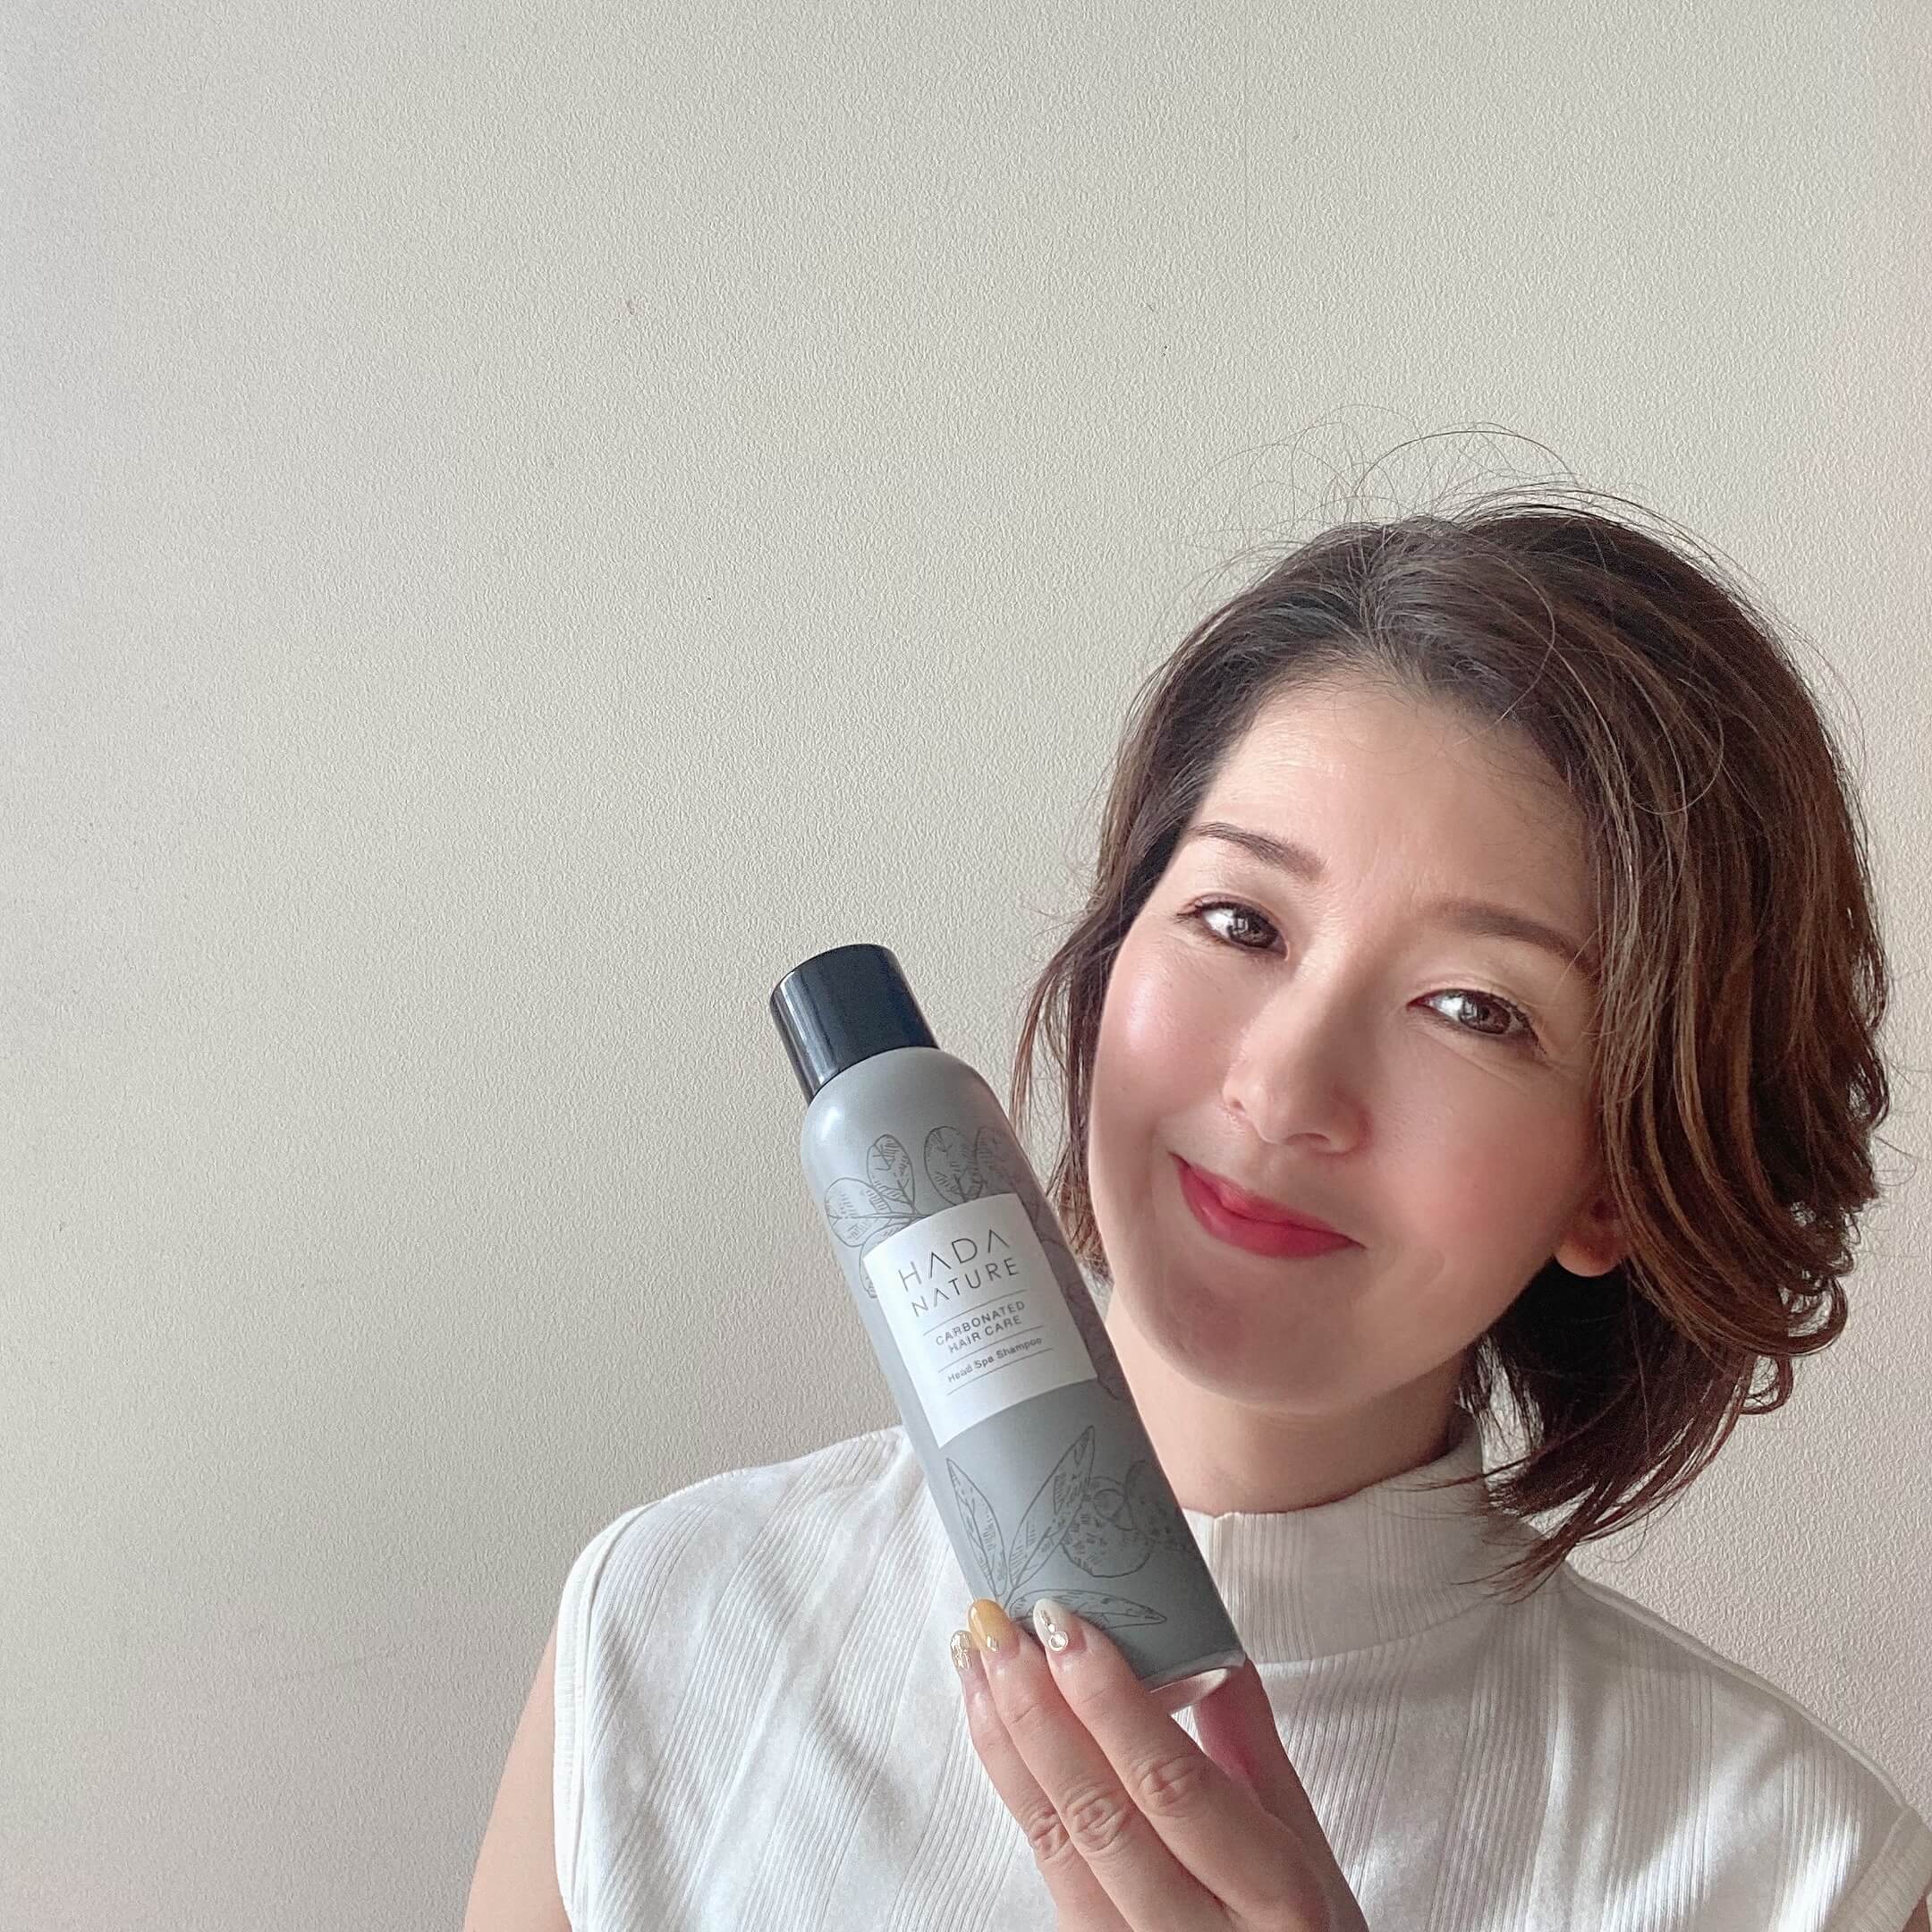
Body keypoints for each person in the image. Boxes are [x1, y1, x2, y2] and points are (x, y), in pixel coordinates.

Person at [465, 488, 1932, 1931]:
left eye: (1475, 1009)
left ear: (1614, 1184)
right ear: (1111, 962)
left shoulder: (1794, 1876)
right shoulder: (668, 1625)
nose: (1285, 1086)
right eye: (1240, 922)